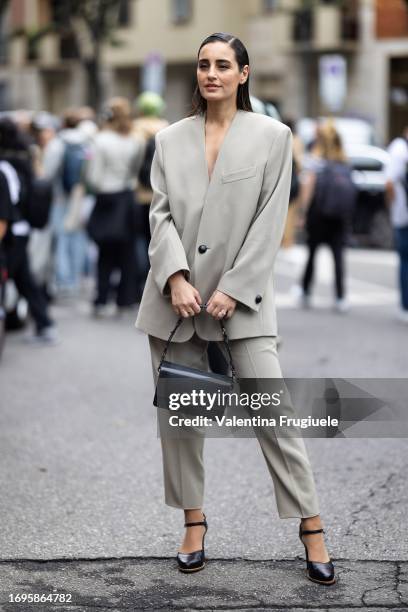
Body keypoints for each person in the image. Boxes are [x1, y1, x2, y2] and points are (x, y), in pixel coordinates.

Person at [135, 32, 335, 584]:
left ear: (243, 74)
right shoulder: (169, 140)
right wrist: (174, 276)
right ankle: (193, 522)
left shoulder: (273, 137)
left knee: (274, 417)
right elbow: (160, 217)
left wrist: (235, 287)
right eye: (203, 64)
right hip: (175, 304)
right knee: (181, 423)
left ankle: (311, 526)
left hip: (242, 305)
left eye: (223, 64)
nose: (211, 73)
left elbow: (271, 222)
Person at [0, 117, 58, 344]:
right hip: (21, 227)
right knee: (25, 279)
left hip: (12, 230)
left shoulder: (5, 164)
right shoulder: (25, 157)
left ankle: (44, 326)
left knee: (12, 279)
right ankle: (45, 326)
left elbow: (8, 203)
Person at [86, 97, 145, 314]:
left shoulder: (100, 140)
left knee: (104, 252)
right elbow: (135, 170)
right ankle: (125, 297)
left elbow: (93, 176)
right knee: (127, 251)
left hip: (106, 198)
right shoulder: (135, 140)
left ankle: (101, 299)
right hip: (128, 197)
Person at [296, 123, 356, 313]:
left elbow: (308, 188)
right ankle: (340, 297)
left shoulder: (316, 160)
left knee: (312, 254)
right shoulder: (345, 161)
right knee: (338, 257)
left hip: (318, 216)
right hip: (339, 217)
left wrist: (302, 213)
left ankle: (305, 291)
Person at [384, 126, 408, 323]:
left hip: (404, 216)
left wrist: (391, 204)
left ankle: (405, 305)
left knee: (405, 261)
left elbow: (389, 182)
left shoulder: (399, 148)